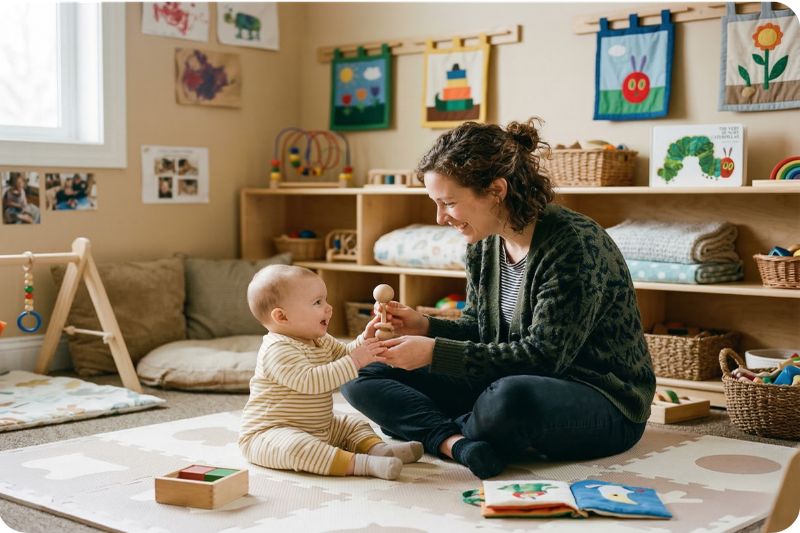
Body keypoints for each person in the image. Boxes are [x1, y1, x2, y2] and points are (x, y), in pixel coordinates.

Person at [342, 119, 655, 479]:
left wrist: (433, 351)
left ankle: (429, 427)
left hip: (598, 396)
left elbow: (545, 358)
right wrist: (425, 325)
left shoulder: (574, 245)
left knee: (507, 401)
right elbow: (479, 328)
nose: (440, 218)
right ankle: (455, 441)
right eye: (436, 203)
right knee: (361, 369)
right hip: (505, 377)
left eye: (448, 203)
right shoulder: (484, 242)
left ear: (496, 191)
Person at [239, 264, 424, 480]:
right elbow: (311, 381)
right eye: (318, 302)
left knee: (352, 423)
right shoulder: (277, 349)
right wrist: (356, 360)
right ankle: (363, 464)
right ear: (282, 317)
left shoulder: (320, 340)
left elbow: (343, 355)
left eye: (325, 300)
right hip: (270, 433)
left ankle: (378, 450)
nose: (329, 307)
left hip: (321, 426)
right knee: (298, 448)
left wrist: (366, 339)